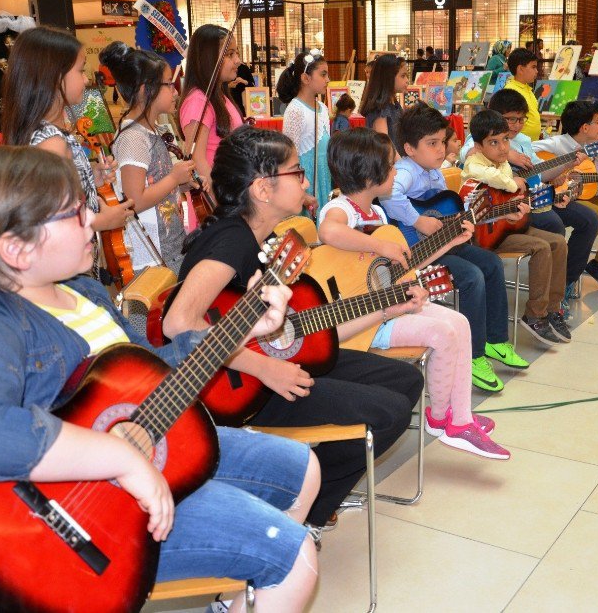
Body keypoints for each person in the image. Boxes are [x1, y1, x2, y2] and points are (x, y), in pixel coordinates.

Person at [0, 146, 319, 613]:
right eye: (74, 214)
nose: (94, 219)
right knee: (295, 557)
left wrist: (243, 326)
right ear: (17, 248)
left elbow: (151, 366)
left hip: (158, 445)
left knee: (302, 471)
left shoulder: (86, 292)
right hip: (88, 520)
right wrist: (121, 458)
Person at [162, 126, 424, 534]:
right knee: (388, 412)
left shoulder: (260, 236)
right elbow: (178, 323)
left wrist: (384, 309)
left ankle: (310, 493)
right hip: (241, 387)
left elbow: (304, 330)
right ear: (263, 189)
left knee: (406, 379)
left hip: (266, 363)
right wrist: (263, 368)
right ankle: (307, 510)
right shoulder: (232, 242)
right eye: (296, 172)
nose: (304, 180)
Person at [317, 128, 509, 459]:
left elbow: (404, 265)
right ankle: (442, 420)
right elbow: (328, 230)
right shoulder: (341, 209)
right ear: (369, 173)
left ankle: (455, 417)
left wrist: (450, 241)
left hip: (387, 306)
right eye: (391, 167)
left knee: (459, 322)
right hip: (362, 323)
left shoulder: (377, 214)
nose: (396, 172)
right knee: (441, 331)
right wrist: (380, 245)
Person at [381, 103, 530, 392]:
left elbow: (454, 212)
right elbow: (388, 195)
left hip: (442, 245)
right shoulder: (406, 171)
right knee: (472, 275)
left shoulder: (435, 172)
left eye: (441, 141)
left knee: (491, 264)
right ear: (410, 149)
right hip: (415, 254)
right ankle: (473, 357)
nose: (440, 149)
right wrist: (417, 220)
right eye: (432, 143)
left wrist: (501, 212)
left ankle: (495, 341)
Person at [463, 90, 598, 296]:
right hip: (502, 210)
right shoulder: (478, 136)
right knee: (553, 223)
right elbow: (468, 154)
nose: (517, 125)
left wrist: (566, 164)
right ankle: (547, 289)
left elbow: (540, 171)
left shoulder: (524, 140)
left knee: (590, 219)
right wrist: (509, 153)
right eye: (511, 119)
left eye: (521, 119)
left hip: (535, 196)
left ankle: (564, 282)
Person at [2, 26, 133, 237]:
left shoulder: (49, 133)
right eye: (81, 70)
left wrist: (90, 175)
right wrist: (101, 221)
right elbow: (51, 224)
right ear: (54, 76)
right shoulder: (51, 143)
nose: (86, 79)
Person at [463, 109, 570, 346]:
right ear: (478, 146)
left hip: (509, 228)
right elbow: (490, 177)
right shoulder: (474, 163)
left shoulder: (502, 163)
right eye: (493, 142)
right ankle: (534, 315)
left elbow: (510, 197)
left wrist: (534, 201)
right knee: (541, 247)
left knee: (558, 241)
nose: (502, 148)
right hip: (487, 237)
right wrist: (514, 183)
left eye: (505, 140)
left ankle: (553, 308)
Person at [100, 41, 195, 279]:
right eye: (168, 85)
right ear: (145, 90)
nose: (175, 92)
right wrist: (174, 178)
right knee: (152, 316)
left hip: (169, 245)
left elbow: (154, 183)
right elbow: (134, 201)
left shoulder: (149, 130)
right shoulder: (133, 138)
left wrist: (180, 183)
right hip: (152, 256)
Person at [532, 100, 598, 279]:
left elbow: (591, 186)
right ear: (585, 128)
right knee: (593, 217)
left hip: (570, 197)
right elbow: (529, 155)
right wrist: (552, 173)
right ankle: (566, 276)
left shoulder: (588, 150)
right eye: (597, 122)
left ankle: (570, 276)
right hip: (543, 198)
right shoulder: (556, 144)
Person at [178, 24, 244, 194]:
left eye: (236, 53)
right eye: (229, 54)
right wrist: (220, 206)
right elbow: (197, 160)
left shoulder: (220, 96)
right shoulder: (198, 101)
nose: (237, 60)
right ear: (208, 58)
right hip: (219, 199)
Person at [277, 50, 331, 212]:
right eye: (323, 75)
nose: (328, 80)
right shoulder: (295, 110)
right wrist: (301, 188)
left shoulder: (323, 108)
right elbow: (288, 154)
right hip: (306, 179)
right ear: (305, 78)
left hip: (324, 174)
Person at [359, 53, 408, 154]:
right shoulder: (380, 108)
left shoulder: (394, 104)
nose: (407, 80)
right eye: (403, 76)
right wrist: (403, 166)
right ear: (388, 78)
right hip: (386, 166)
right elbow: (385, 146)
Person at [504, 47, 542, 141]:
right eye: (533, 67)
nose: (536, 71)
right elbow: (509, 123)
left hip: (531, 143)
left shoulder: (527, 89)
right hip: (518, 145)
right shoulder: (511, 91)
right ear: (521, 69)